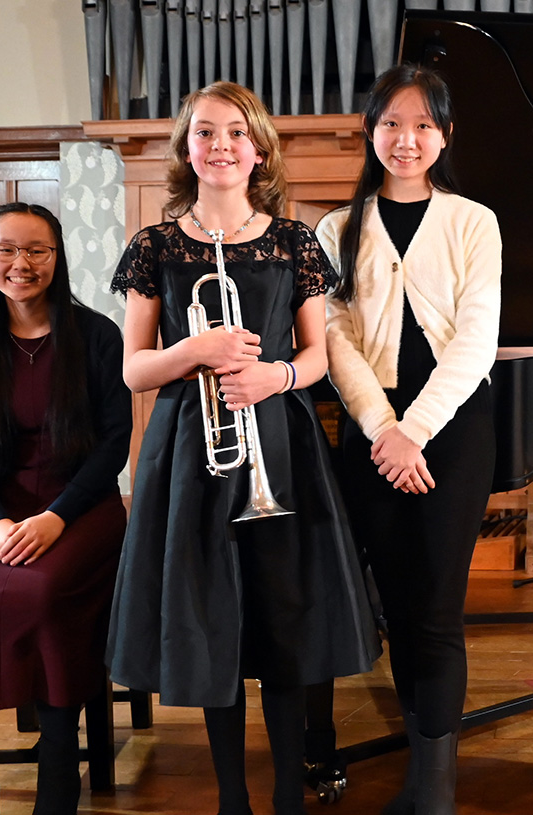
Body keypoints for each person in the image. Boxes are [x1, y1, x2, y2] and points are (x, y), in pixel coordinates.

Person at [105, 81, 379, 815]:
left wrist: (275, 374)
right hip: (189, 453)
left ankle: (289, 790)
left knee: (284, 618)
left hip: (280, 445)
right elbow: (133, 367)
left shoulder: (294, 240)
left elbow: (321, 353)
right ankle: (234, 799)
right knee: (209, 621)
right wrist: (194, 347)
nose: (220, 145)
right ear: (185, 148)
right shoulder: (155, 246)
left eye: (235, 132)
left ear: (258, 150)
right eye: (205, 133)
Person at [316, 64, 501, 815]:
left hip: (452, 432)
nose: (406, 138)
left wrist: (413, 430)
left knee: (435, 607)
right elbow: (333, 337)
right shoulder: (337, 227)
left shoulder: (472, 220)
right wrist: (382, 429)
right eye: (391, 123)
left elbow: (478, 336)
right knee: (392, 600)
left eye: (423, 124)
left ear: (445, 136)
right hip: (371, 432)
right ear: (370, 131)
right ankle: (423, 775)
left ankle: (434, 791)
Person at [0, 202, 132, 815]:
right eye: (6, 249)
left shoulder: (97, 336)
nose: (21, 264)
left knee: (42, 593)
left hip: (80, 504)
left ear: (57, 256)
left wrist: (56, 517)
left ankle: (57, 779)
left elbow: (113, 445)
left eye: (36, 250)